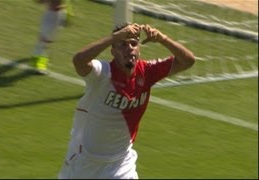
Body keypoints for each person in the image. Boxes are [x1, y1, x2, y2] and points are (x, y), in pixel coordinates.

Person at [58, 22, 195, 179]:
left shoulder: (148, 72)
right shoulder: (102, 73)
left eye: (133, 43)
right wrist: (113, 37)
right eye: (122, 44)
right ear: (113, 51)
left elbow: (188, 61)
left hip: (120, 163)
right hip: (85, 162)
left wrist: (163, 39)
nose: (129, 48)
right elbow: (79, 61)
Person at [31, 0, 74, 74]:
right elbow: (39, 2)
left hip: (58, 15)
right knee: (44, 42)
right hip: (51, 16)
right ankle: (38, 66)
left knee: (48, 42)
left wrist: (65, 13)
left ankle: (41, 63)